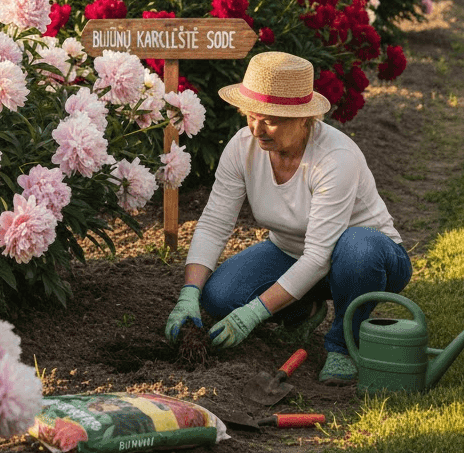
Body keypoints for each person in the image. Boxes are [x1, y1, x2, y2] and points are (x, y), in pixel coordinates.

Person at [163, 51, 412, 384]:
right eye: (251, 115)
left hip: (371, 259)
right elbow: (214, 223)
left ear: (304, 119)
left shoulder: (335, 158)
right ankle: (303, 311)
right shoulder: (242, 147)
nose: (257, 129)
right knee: (219, 296)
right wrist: (189, 293)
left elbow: (320, 255)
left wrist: (253, 314)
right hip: (293, 252)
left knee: (357, 248)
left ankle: (342, 345)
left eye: (271, 119)